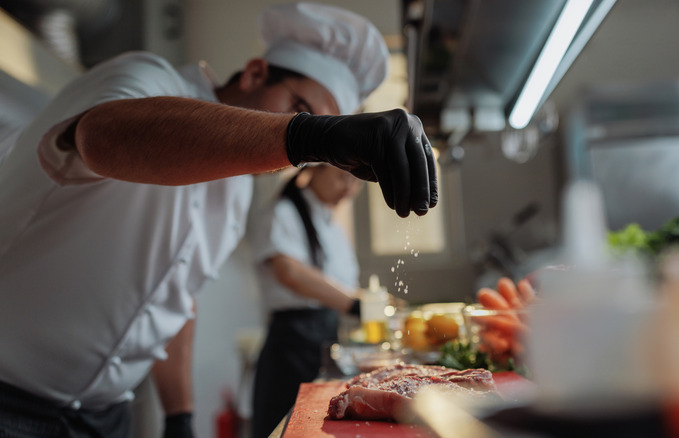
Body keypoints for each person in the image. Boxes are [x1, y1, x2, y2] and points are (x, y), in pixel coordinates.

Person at [0, 1, 436, 437]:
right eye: (298, 106)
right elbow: (100, 137)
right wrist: (308, 135)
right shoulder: (147, 77)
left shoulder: (237, 189)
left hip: (108, 417)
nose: (305, 153)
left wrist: (179, 415)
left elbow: (172, 302)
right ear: (254, 73)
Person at [247, 163, 362, 437]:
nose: (349, 188)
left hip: (325, 335)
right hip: (292, 344)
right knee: (286, 429)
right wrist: (354, 304)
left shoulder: (330, 223)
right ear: (316, 169)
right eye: (342, 177)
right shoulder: (283, 212)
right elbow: (290, 272)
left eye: (355, 181)